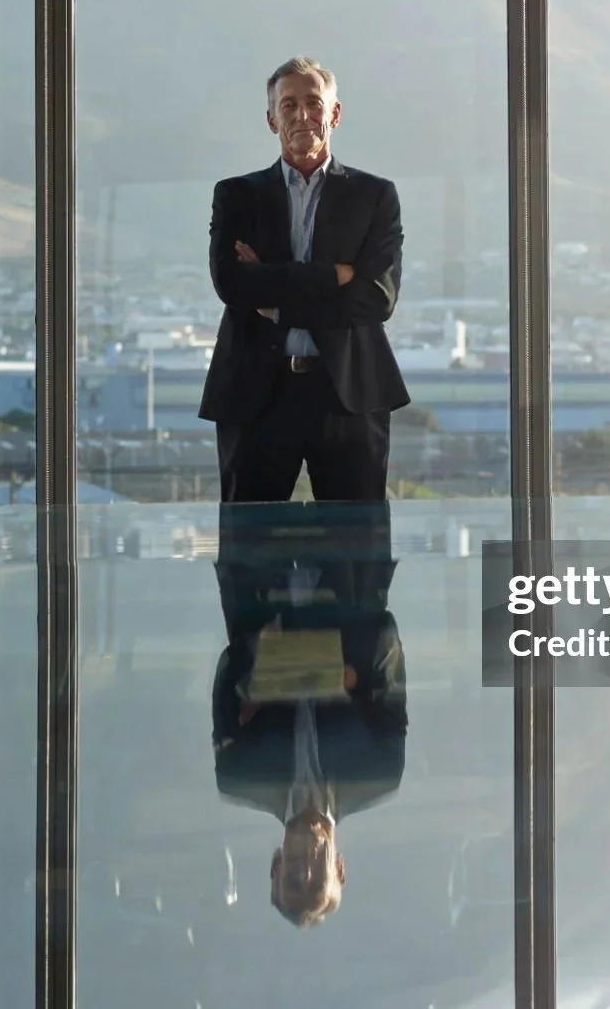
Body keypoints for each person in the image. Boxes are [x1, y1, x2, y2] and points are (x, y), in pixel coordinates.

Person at [199, 57, 410, 502]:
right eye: (289, 105)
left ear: (335, 113)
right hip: (256, 394)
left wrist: (276, 299)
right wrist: (332, 275)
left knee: (357, 539)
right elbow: (233, 286)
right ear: (271, 119)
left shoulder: (374, 196)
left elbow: (376, 297)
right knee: (249, 538)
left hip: (349, 395)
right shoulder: (237, 196)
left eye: (314, 103)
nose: (302, 115)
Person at [210, 501, 407, 928]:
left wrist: (264, 662)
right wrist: (340, 673)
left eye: (291, 881)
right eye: (315, 882)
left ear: (274, 865)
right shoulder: (379, 773)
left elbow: (229, 669)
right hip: (351, 559)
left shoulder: (238, 775)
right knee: (353, 472)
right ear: (340, 869)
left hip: (256, 566)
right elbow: (386, 642)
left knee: (253, 472)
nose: (304, 872)